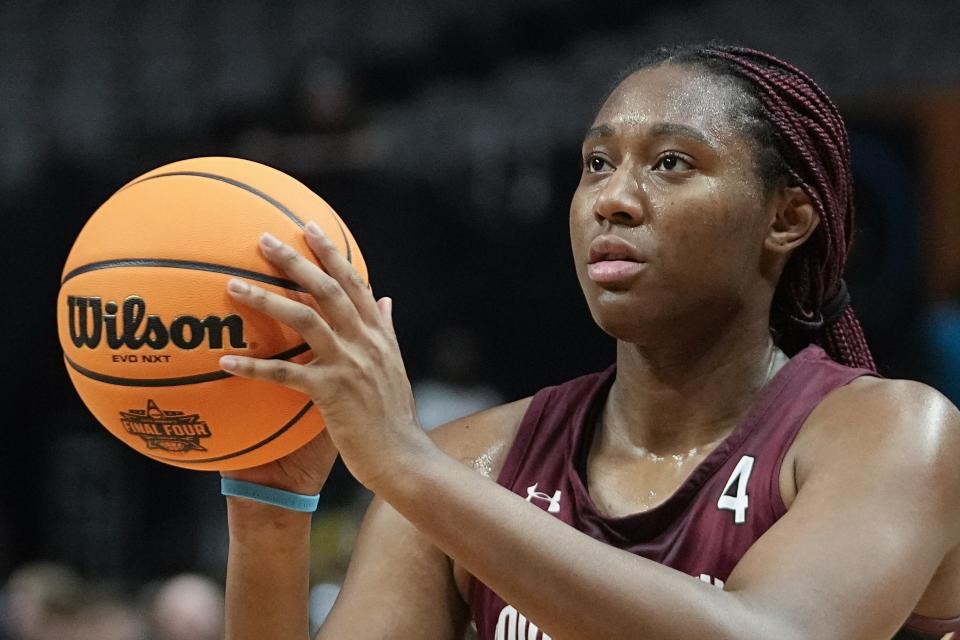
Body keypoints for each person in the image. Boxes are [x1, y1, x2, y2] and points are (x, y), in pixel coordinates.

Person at [215, 44, 960, 639]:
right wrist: (269, 517)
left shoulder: (894, 433)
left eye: (672, 164)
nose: (613, 198)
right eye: (596, 164)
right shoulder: (470, 463)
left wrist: (407, 465)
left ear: (787, 218)